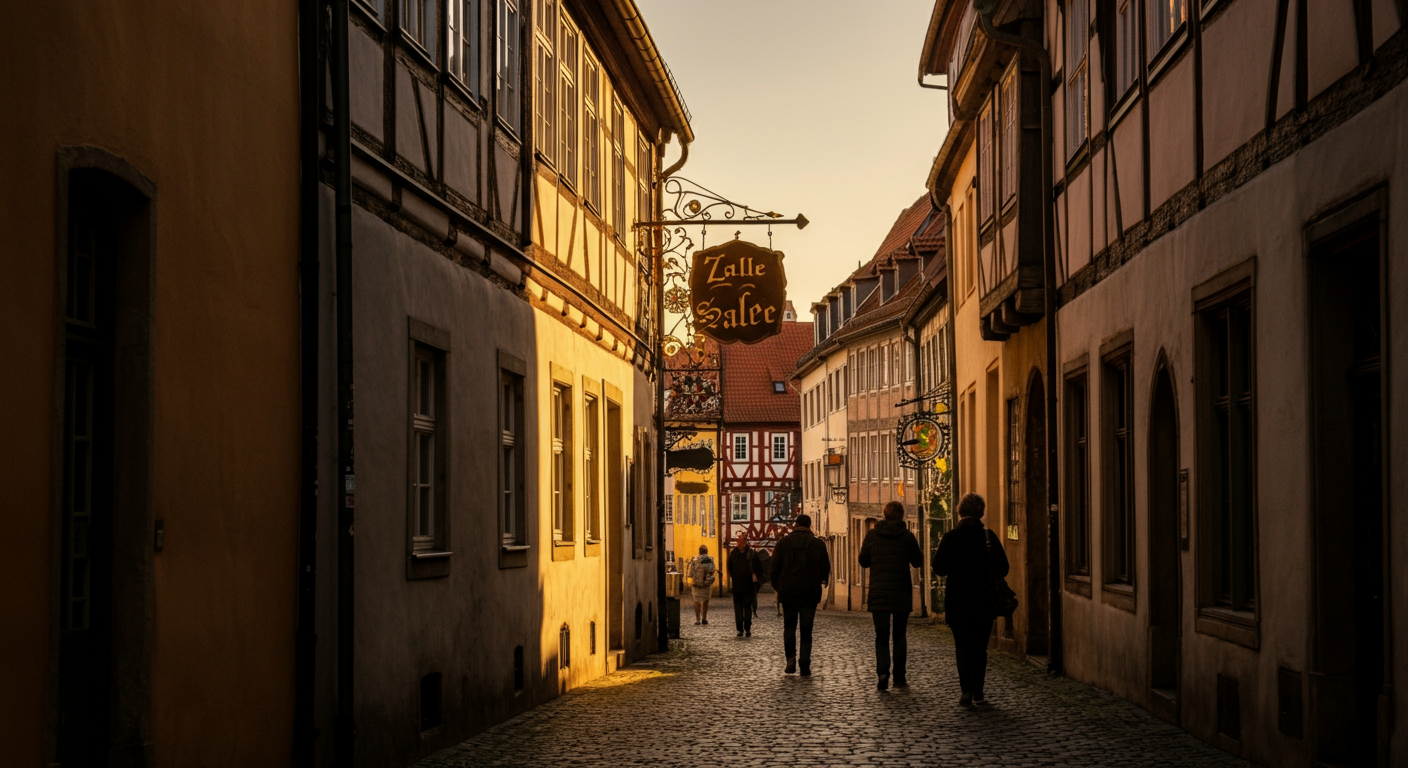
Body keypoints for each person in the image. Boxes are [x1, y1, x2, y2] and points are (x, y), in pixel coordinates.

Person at [932, 493, 1009, 707]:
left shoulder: (951, 537)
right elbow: (1004, 568)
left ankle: (966, 689)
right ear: (980, 513)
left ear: (960, 512)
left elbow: (939, 567)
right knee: (980, 647)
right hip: (984, 600)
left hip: (958, 602)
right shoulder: (988, 537)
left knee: (963, 646)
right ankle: (978, 689)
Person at [858, 501, 923, 690]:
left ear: (884, 514)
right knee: (899, 635)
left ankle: (883, 673)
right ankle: (900, 676)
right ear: (901, 515)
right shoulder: (907, 536)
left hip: (879, 592)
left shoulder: (872, 535)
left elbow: (863, 561)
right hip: (901, 592)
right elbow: (918, 561)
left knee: (881, 635)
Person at [770, 514, 831, 676]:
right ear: (809, 525)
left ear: (796, 524)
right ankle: (804, 663)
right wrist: (821, 580)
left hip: (788, 591)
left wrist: (779, 586)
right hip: (809, 591)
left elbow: (774, 568)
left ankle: (790, 659)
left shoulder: (784, 543)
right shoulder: (817, 544)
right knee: (806, 629)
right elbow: (825, 567)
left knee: (789, 627)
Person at [726, 533, 761, 637]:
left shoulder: (751, 553)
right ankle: (740, 629)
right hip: (737, 586)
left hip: (748, 585)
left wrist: (755, 577)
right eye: (739, 541)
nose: (740, 543)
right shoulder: (733, 554)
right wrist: (734, 577)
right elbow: (730, 568)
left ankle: (747, 628)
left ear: (745, 542)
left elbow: (758, 568)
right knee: (738, 609)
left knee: (747, 607)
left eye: (742, 541)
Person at [689, 544, 717, 626]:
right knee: (705, 601)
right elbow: (713, 570)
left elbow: (690, 572)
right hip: (706, 584)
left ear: (699, 551)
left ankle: (697, 619)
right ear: (707, 551)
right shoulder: (710, 559)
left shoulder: (694, 559)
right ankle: (704, 618)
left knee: (696, 601)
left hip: (696, 584)